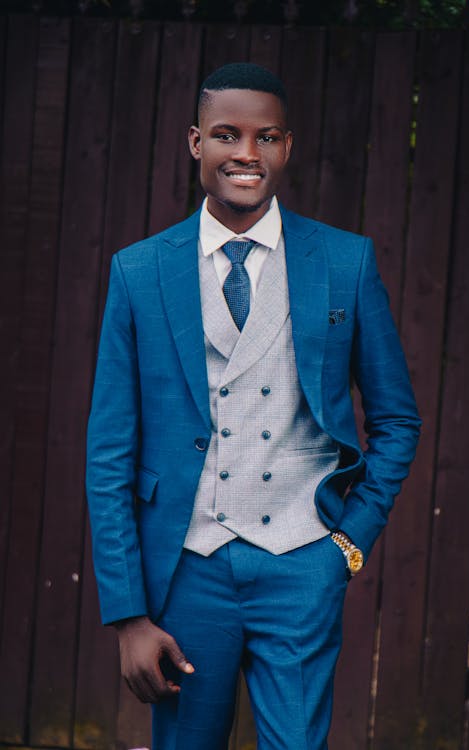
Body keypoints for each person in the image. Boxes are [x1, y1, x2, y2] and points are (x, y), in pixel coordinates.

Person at [86, 62, 421, 750]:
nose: (246, 153)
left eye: (266, 136)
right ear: (194, 143)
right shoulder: (139, 271)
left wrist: (348, 544)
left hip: (302, 564)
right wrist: (127, 616)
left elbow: (396, 421)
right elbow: (109, 453)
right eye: (226, 135)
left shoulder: (344, 262)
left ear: (287, 147)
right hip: (187, 570)